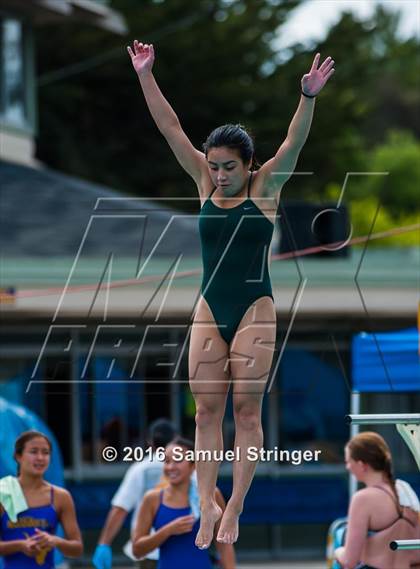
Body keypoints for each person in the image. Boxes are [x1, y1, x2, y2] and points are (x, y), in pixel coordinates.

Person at [127, 39, 335, 547]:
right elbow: (170, 129)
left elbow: (294, 145)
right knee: (205, 412)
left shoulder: (265, 188)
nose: (219, 175)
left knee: (246, 409)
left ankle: (236, 505)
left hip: (254, 307)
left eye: (229, 167)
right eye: (214, 166)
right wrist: (146, 75)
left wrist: (307, 98)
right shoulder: (202, 180)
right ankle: (206, 504)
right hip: (208, 305)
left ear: (248, 165)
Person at [93, 418, 196, 569]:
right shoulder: (189, 467)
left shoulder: (140, 469)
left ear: (150, 442)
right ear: (176, 439)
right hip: (184, 549)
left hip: (148, 551)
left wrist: (104, 544)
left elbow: (120, 509)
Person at [132, 437, 236, 569]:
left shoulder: (211, 495)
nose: (170, 467)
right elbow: (137, 550)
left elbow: (224, 545)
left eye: (177, 460)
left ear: (193, 465)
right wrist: (168, 530)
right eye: (167, 461)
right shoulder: (152, 499)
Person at [334, 431, 420, 569]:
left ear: (362, 465)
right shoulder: (405, 490)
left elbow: (349, 561)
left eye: (349, 462)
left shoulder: (363, 499)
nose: (347, 467)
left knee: (338, 533)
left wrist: (337, 551)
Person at [0, 430, 83, 568]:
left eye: (45, 453)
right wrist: (21, 545)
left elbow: (77, 548)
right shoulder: (4, 492)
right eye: (33, 452)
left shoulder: (60, 497)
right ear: (18, 457)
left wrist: (55, 541)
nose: (40, 458)